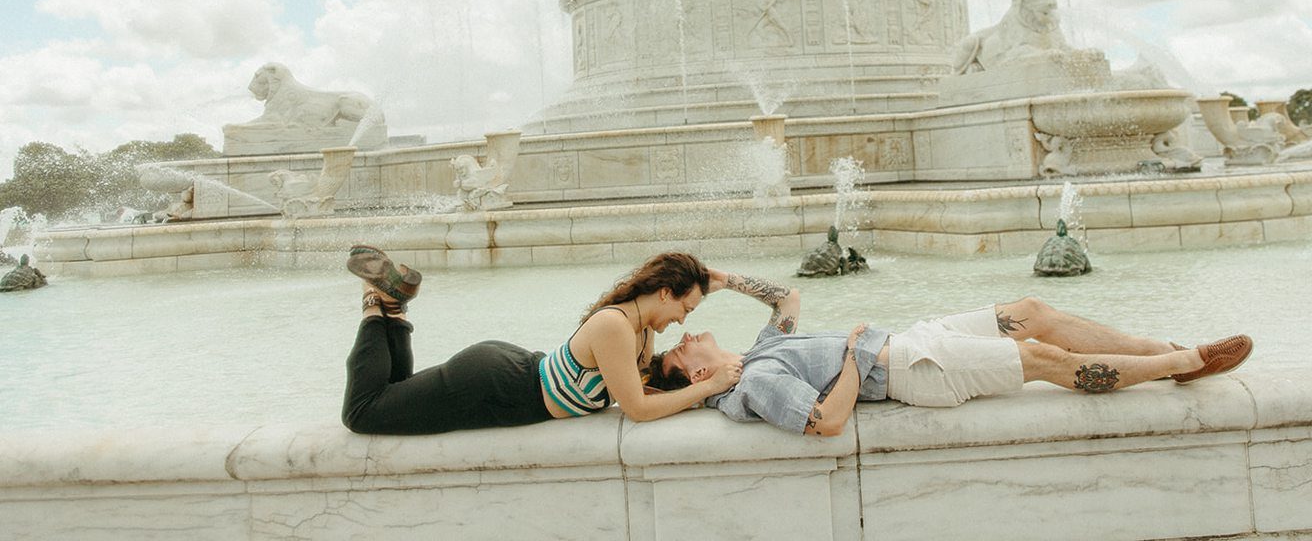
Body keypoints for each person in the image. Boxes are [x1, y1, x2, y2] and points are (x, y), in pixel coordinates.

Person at [649, 269, 1252, 436]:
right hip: (916, 371)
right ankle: (1184, 363)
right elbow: (826, 422)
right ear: (698, 373)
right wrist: (856, 357)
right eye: (680, 350)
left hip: (916, 338)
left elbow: (787, 296)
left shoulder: (760, 353)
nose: (686, 334)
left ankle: (1159, 350)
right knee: (1045, 360)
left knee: (1033, 312)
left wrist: (715, 278)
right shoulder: (755, 384)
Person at [341, 245, 742, 434]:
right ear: (665, 293)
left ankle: (393, 308)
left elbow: (646, 395)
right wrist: (711, 384)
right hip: (493, 386)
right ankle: (374, 306)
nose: (681, 320)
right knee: (364, 413)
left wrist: (726, 281)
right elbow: (636, 408)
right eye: (685, 309)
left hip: (505, 375)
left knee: (395, 393)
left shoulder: (638, 330)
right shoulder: (617, 327)